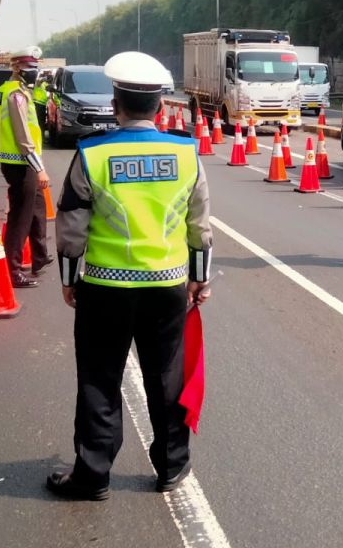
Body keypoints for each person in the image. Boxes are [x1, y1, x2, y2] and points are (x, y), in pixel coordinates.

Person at [47, 51, 213, 502]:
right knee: (167, 378)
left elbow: (71, 225)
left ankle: (93, 475)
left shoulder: (93, 153)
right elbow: (199, 223)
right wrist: (199, 276)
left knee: (100, 379)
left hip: (106, 288)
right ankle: (172, 467)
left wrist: (68, 276)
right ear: (160, 107)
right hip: (168, 286)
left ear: (115, 103)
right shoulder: (185, 153)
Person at [0, 47, 51, 287]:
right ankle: (13, 269)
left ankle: (39, 256)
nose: (32, 72)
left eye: (35, 68)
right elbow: (23, 136)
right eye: (28, 68)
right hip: (20, 161)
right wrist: (39, 168)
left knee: (37, 206)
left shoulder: (7, 90)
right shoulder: (15, 94)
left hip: (17, 160)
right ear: (16, 68)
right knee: (21, 216)